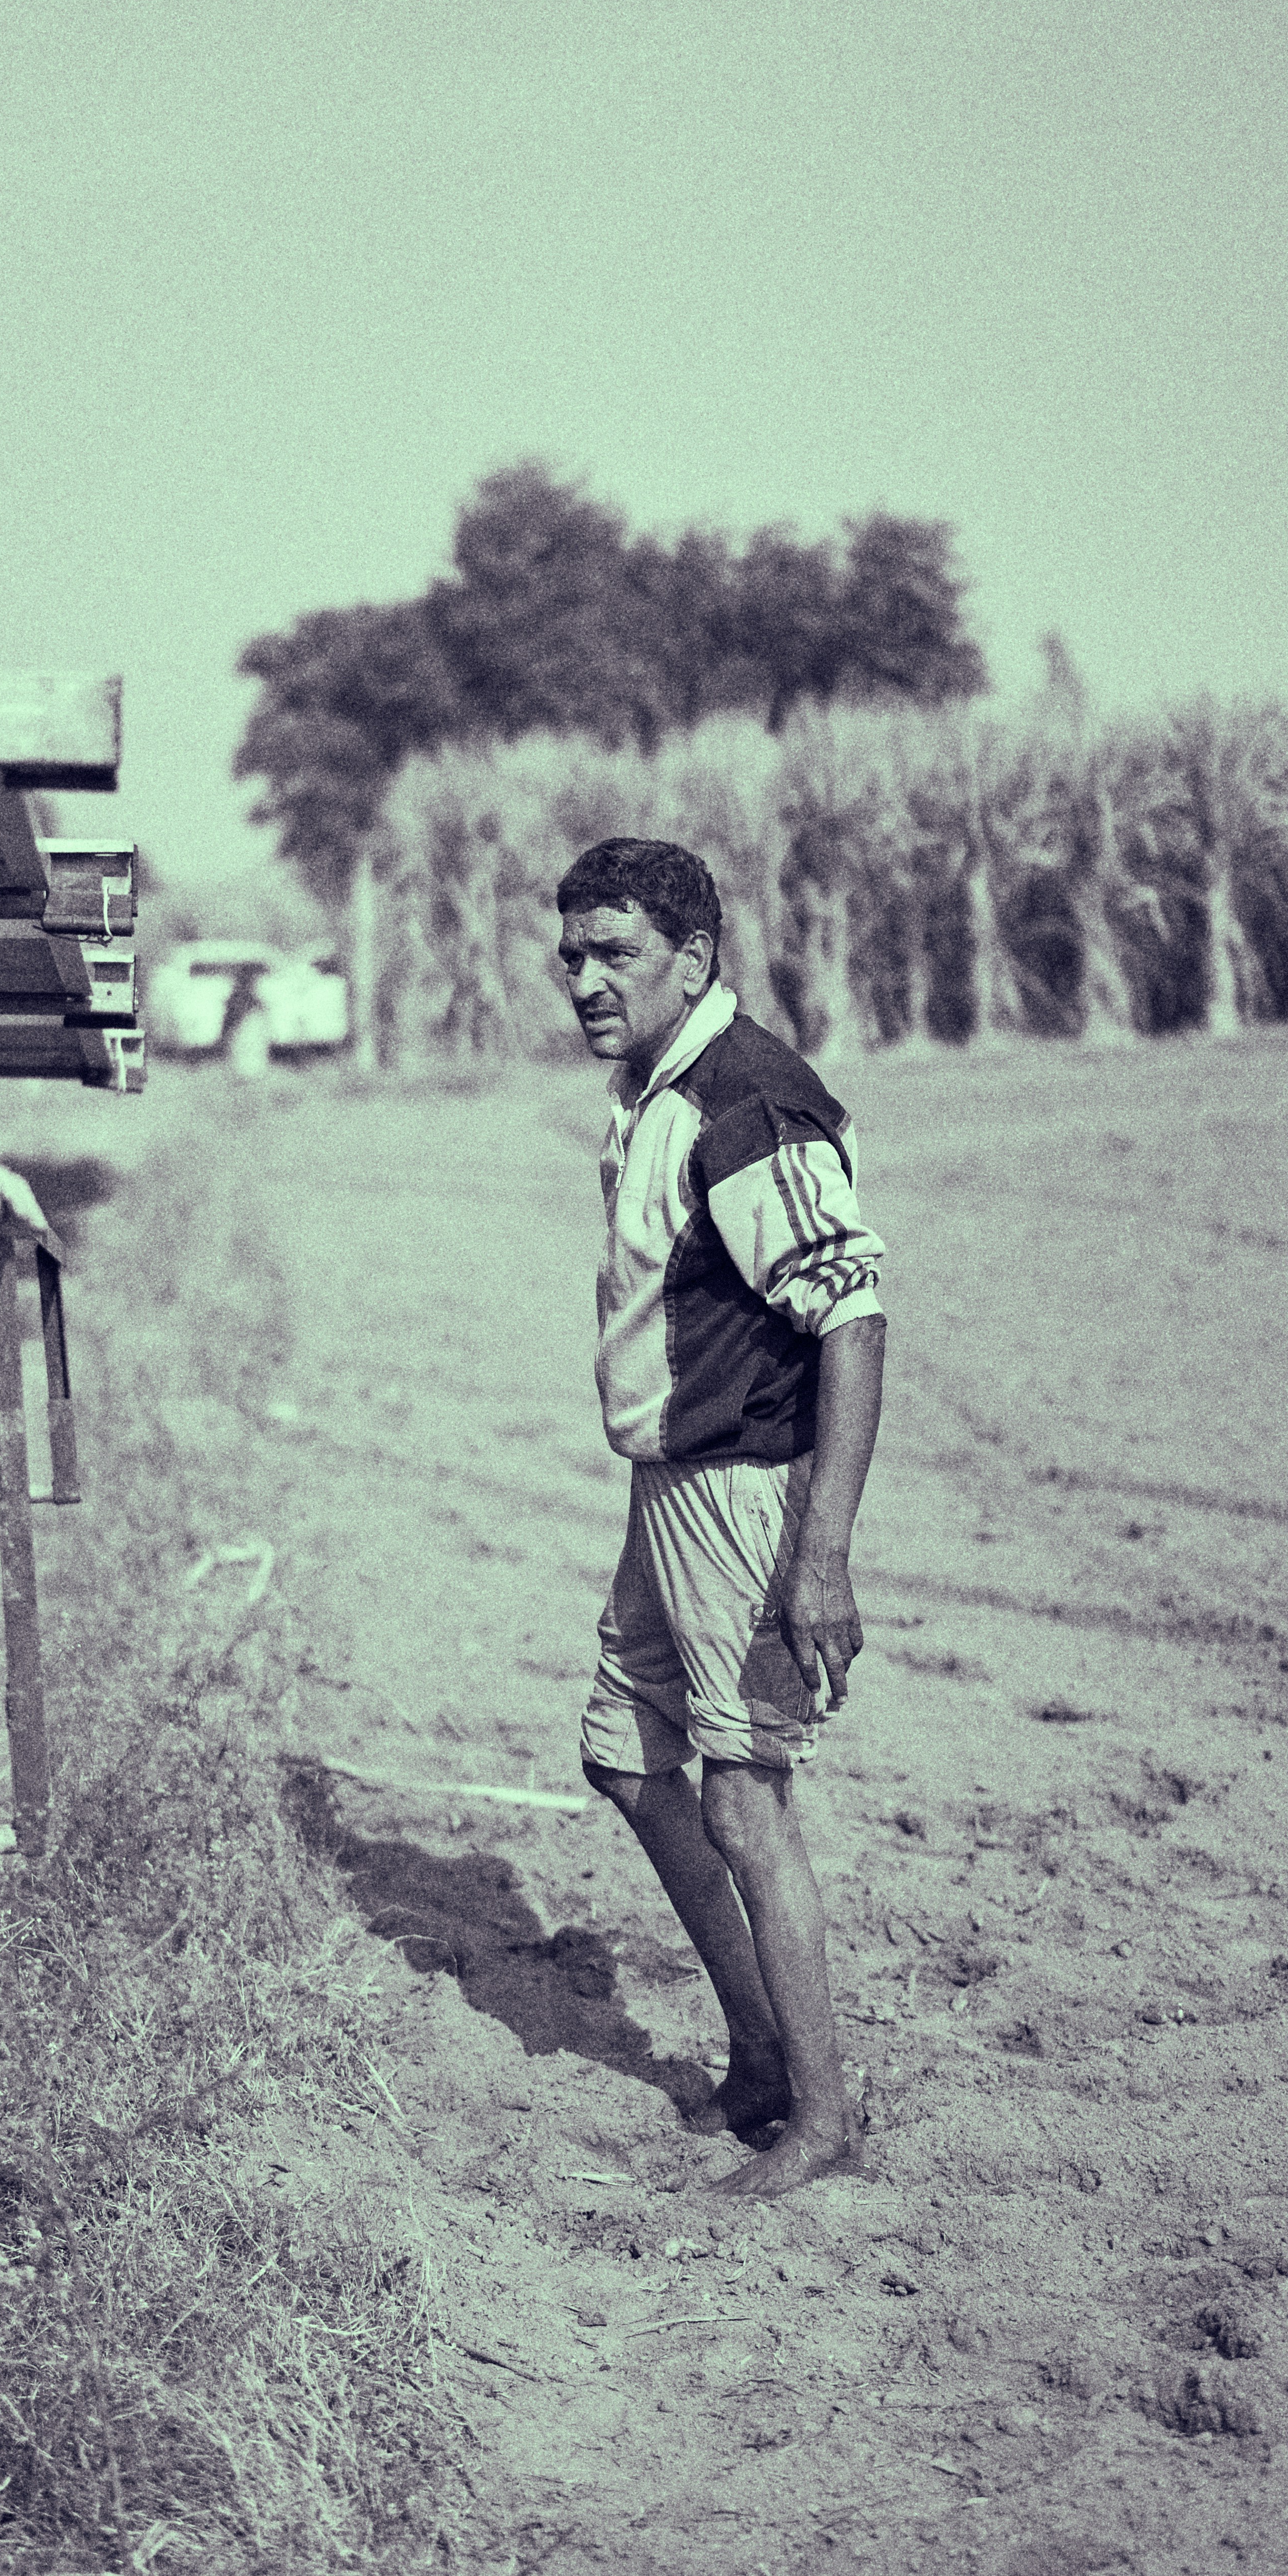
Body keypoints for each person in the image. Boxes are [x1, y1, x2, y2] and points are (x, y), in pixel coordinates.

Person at [559, 838, 886, 2201]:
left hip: (744, 1496)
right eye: (571, 954)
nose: (583, 981)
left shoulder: (745, 1104)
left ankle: (821, 2117)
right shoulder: (663, 1088)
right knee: (628, 1762)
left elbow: (854, 1319)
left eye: (613, 955)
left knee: (746, 1799)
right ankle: (757, 2058)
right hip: (667, 1487)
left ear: (691, 961)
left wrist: (820, 1560)